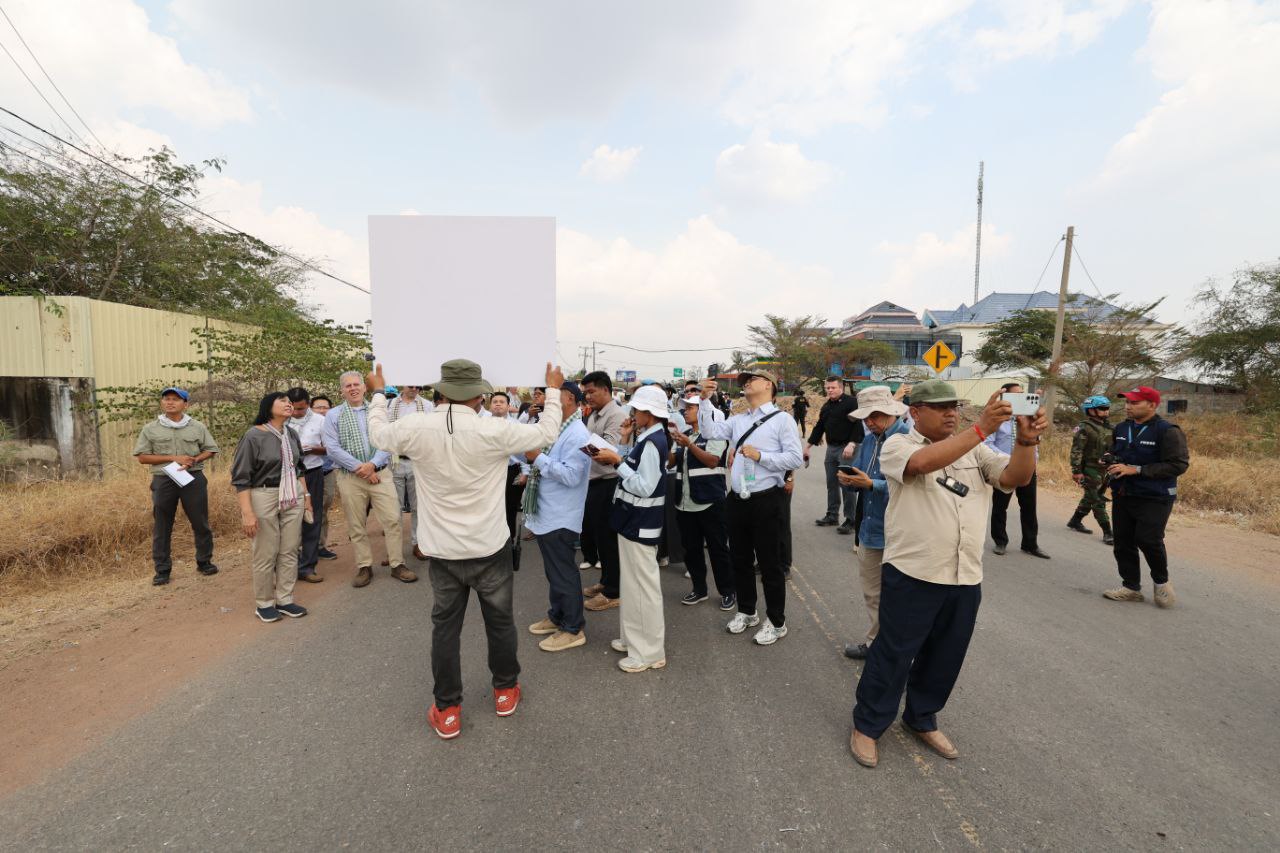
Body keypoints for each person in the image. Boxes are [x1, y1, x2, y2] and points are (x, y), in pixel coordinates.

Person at [850, 380, 1046, 769]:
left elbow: (1015, 478)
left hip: (964, 576)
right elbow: (922, 465)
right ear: (915, 412)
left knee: (945, 656)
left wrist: (1026, 442)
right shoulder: (898, 445)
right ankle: (868, 725)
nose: (951, 413)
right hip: (914, 573)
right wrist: (982, 429)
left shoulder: (978, 450)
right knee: (893, 654)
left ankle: (921, 717)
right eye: (940, 407)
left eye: (954, 406)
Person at [368, 359, 565, 739]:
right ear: (479, 396)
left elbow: (378, 434)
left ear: (440, 392)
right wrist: (553, 390)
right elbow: (547, 432)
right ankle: (505, 691)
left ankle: (447, 710)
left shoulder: (415, 426)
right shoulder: (494, 428)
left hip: (442, 551)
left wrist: (378, 392)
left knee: (445, 629)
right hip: (489, 547)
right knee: (500, 623)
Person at [697, 370, 804, 645]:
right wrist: (705, 400)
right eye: (744, 381)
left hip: (767, 499)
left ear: (768, 385)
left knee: (769, 564)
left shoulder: (782, 420)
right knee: (740, 559)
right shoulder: (738, 420)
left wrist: (760, 456)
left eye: (751, 379)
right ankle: (747, 611)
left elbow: (795, 458)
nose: (745, 383)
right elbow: (709, 431)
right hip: (737, 499)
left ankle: (777, 622)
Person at [591, 386, 671, 672]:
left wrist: (617, 461)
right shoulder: (648, 437)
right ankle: (633, 640)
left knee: (642, 590)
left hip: (640, 523)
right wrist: (624, 442)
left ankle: (649, 653)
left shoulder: (653, 442)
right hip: (633, 521)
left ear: (650, 412)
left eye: (637, 410)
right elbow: (634, 468)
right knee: (632, 586)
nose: (633, 414)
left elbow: (643, 486)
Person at [322, 370, 416, 588]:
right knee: (356, 524)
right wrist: (360, 468)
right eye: (348, 386)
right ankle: (364, 566)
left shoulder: (379, 411)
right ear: (342, 391)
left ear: (365, 387)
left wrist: (372, 465)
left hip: (381, 473)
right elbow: (332, 448)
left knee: (392, 520)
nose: (353, 388)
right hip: (350, 476)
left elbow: (388, 440)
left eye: (357, 384)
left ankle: (397, 564)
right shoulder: (333, 415)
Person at [836, 386, 910, 660]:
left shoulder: (908, 440)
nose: (869, 421)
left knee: (901, 597)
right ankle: (876, 644)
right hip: (870, 528)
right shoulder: (869, 441)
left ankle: (900, 652)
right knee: (873, 593)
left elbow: (911, 486)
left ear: (891, 411)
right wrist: (850, 481)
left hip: (900, 532)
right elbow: (862, 474)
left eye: (875, 415)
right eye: (865, 417)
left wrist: (871, 485)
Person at [1102, 386, 1190, 607]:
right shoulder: (1122, 427)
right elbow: (1117, 451)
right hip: (1124, 493)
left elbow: (1178, 465)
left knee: (1148, 539)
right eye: (1127, 402)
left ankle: (1161, 583)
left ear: (1152, 405)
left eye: (1134, 402)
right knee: (1122, 542)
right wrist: (1110, 457)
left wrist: (1137, 470)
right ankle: (1131, 587)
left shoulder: (1168, 431)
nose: (1128, 406)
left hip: (1155, 496)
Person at [523, 382, 593, 652]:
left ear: (570, 398)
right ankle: (558, 616)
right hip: (548, 511)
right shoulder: (558, 428)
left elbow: (572, 476)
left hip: (561, 514)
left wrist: (538, 458)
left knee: (563, 572)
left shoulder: (578, 433)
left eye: (555, 395)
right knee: (554, 572)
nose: (549, 399)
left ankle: (573, 628)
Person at [231, 392, 312, 623]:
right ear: (268, 406)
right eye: (282, 401)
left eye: (289, 401)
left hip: (293, 494)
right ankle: (264, 603)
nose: (289, 404)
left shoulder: (291, 433)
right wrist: (247, 513)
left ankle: (285, 599)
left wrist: (306, 496)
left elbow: (299, 468)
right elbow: (241, 477)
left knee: (290, 549)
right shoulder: (254, 435)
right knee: (265, 552)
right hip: (264, 494)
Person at [132, 386, 220, 586]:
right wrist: (174, 458)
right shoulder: (150, 428)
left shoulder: (197, 427)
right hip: (164, 479)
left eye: (175, 399)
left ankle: (204, 561)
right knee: (162, 524)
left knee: (200, 521)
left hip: (192, 477)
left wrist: (194, 460)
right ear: (162, 403)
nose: (170, 402)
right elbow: (142, 457)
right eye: (166, 399)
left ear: (185, 404)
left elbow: (211, 450)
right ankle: (162, 570)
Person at [670, 393, 734, 610]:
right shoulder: (685, 435)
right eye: (685, 407)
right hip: (684, 502)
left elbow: (712, 461)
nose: (685, 411)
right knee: (691, 549)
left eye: (690, 408)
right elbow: (670, 463)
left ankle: (728, 591)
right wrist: (670, 442)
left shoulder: (715, 434)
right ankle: (699, 589)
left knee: (718, 549)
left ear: (704, 412)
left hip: (710, 502)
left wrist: (689, 445)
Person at [985, 382, 1049, 559]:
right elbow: (988, 444)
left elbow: (1034, 444)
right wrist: (1011, 460)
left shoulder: (1029, 419)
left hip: (1027, 470)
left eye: (1022, 394)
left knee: (1029, 507)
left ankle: (1030, 544)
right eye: (1017, 395)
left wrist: (1031, 462)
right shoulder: (997, 420)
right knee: (1000, 507)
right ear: (1005, 397)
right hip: (1003, 468)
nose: (1021, 397)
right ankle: (1000, 541)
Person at [579, 371, 626, 609]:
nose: (587, 396)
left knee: (608, 538)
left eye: (591, 391)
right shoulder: (594, 414)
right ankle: (606, 580)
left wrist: (580, 444)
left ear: (606, 390)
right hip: (594, 482)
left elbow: (608, 452)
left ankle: (614, 591)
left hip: (609, 482)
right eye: (585, 393)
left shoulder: (616, 415)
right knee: (600, 537)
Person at [806, 376, 865, 534]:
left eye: (833, 387)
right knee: (831, 483)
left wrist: (852, 443)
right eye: (827, 388)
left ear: (841, 387)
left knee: (847, 483)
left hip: (847, 448)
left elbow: (858, 423)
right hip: (831, 448)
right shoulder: (826, 406)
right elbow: (820, 426)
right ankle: (832, 515)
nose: (830, 390)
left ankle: (851, 520)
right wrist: (808, 446)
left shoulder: (851, 402)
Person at [286, 387, 327, 582]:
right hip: (286, 476)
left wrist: (312, 450)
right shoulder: (280, 419)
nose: (296, 412)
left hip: (312, 473)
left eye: (300, 408)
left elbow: (329, 448)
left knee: (312, 518)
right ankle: (287, 566)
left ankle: (308, 567)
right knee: (287, 521)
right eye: (292, 408)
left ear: (308, 404)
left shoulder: (320, 421)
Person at [389, 384, 434, 560]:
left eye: (418, 386)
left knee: (418, 506)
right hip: (394, 461)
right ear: (403, 384)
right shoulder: (390, 405)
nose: (414, 388)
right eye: (411, 385)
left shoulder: (427, 406)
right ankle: (394, 549)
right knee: (393, 508)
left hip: (418, 461)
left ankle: (418, 544)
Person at [1068, 395, 1115, 544]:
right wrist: (1076, 471)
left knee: (1090, 496)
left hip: (1104, 469)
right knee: (1097, 499)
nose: (1106, 411)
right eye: (1102, 408)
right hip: (1089, 468)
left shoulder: (1109, 427)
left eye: (1107, 408)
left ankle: (1075, 521)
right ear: (1091, 410)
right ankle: (1108, 532)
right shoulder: (1084, 428)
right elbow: (1076, 450)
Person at [490, 391, 530, 543]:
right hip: (490, 471)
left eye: (502, 402)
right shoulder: (482, 424)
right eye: (495, 402)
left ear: (508, 406)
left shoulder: (516, 425)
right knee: (491, 508)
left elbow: (525, 452)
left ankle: (509, 543)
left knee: (509, 509)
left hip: (511, 471)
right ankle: (492, 542)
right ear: (490, 406)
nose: (498, 404)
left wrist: (525, 473)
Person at [307, 395, 339, 560]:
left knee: (323, 510)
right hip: (306, 474)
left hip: (327, 473)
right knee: (304, 511)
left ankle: (320, 546)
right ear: (310, 409)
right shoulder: (305, 424)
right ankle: (303, 548)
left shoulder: (334, 425)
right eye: (318, 407)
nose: (321, 410)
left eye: (325, 407)